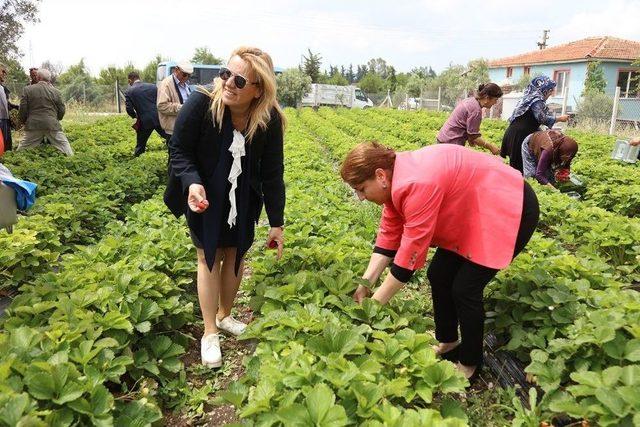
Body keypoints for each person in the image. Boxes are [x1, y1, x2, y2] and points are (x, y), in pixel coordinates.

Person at [341, 141, 539, 382]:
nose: (361, 197)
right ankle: (448, 341)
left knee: (465, 288)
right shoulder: (395, 178)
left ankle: (470, 362)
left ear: (380, 176)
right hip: (475, 209)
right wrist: (365, 284)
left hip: (510, 206)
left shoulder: (416, 182)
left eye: (362, 188)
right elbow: (389, 234)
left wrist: (373, 307)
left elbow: (409, 256)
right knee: (439, 274)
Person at [164, 47, 286, 368]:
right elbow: (179, 150)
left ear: (259, 90)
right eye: (225, 73)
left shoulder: (268, 119)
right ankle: (208, 332)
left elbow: (273, 173)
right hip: (203, 191)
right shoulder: (201, 104)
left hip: (244, 196)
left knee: (235, 254)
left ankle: (225, 316)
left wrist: (277, 222)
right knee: (209, 254)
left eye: (240, 80)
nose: (228, 83)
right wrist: (191, 182)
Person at [500, 76, 569, 172]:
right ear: (545, 90)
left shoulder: (528, 97)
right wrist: (559, 119)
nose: (550, 94)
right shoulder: (537, 100)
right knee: (519, 168)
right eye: (550, 91)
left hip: (514, 132)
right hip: (520, 135)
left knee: (515, 166)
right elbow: (542, 118)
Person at [17, 69, 73, 156]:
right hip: (51, 124)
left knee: (23, 147)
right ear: (49, 79)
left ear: (38, 77)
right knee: (64, 146)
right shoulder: (56, 92)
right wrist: (56, 119)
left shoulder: (27, 90)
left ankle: (15, 162)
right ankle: (71, 160)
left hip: (33, 124)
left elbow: (23, 108)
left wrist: (23, 121)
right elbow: (62, 109)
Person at [436, 83, 502, 155]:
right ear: (487, 98)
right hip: (450, 144)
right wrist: (491, 147)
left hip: (443, 138)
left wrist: (471, 139)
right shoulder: (476, 111)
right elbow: (474, 137)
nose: (495, 103)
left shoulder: (471, 101)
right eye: (495, 99)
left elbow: (470, 134)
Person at [125, 71, 169, 156]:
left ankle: (137, 160)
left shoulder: (129, 91)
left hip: (144, 121)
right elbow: (161, 101)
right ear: (138, 78)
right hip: (158, 117)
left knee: (140, 144)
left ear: (130, 80)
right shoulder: (152, 86)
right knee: (169, 137)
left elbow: (129, 109)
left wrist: (135, 116)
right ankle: (177, 151)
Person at [157, 61, 194, 138]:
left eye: (189, 75)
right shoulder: (166, 84)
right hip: (172, 130)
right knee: (175, 150)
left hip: (183, 127)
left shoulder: (185, 84)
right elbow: (161, 106)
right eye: (184, 75)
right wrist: (183, 108)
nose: (186, 78)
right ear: (176, 70)